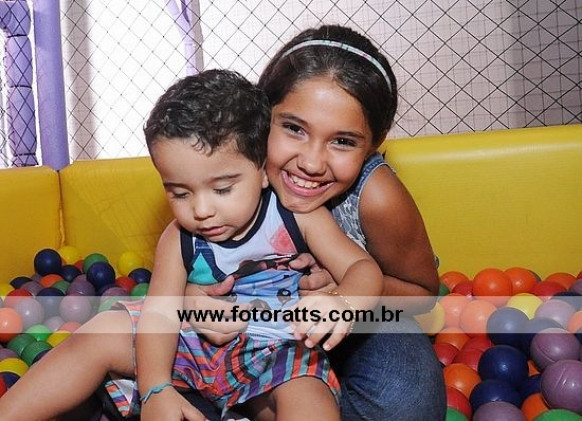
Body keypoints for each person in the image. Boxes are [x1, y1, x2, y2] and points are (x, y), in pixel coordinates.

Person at [0, 69, 384, 421]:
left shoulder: (297, 218)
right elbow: (160, 314)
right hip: (192, 346)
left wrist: (342, 302)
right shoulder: (179, 238)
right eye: (180, 193)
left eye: (223, 189)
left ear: (263, 170)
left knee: (310, 399)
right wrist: (155, 388)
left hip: (277, 352)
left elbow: (362, 268)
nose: (201, 210)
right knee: (101, 331)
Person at [186, 25, 446, 421]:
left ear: (373, 144)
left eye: (343, 141)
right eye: (294, 128)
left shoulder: (375, 196)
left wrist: (343, 290)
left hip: (357, 323)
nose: (311, 163)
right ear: (262, 118)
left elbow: (423, 293)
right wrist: (193, 297)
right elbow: (187, 251)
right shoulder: (230, 170)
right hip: (250, 325)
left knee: (405, 400)